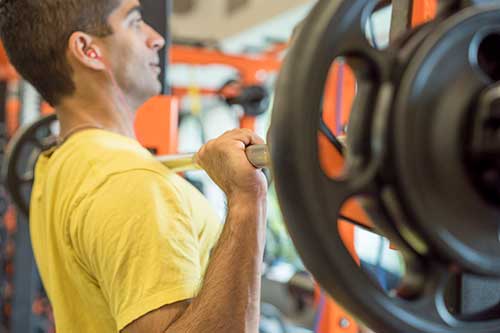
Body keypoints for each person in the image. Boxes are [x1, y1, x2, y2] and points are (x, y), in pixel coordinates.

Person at [0, 0, 268, 332]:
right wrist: (246, 199)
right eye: (135, 22)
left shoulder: (54, 163)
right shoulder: (131, 182)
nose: (156, 38)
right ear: (88, 49)